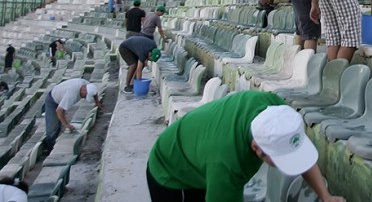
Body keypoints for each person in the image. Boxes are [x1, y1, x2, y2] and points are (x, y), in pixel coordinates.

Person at [146, 90, 345, 202]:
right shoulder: (228, 166)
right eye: (281, 159)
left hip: (200, 151)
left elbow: (300, 156)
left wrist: (325, 196)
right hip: (169, 167)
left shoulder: (276, 108)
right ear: (256, 148)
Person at [44, 78, 101, 153]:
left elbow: (94, 92)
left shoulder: (87, 84)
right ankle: (50, 149)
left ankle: (54, 143)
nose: (84, 97)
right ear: (83, 90)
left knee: (58, 124)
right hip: (52, 100)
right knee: (52, 128)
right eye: (85, 96)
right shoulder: (71, 94)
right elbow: (59, 110)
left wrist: (97, 102)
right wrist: (67, 125)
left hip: (61, 96)